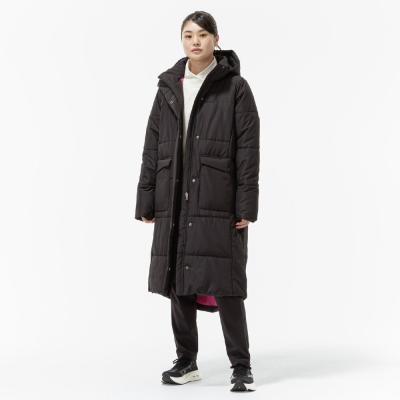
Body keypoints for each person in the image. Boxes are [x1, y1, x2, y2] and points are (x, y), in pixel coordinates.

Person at [135, 10, 260, 392]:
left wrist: (246, 205)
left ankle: (241, 366)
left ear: (216, 40)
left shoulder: (235, 88)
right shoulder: (168, 87)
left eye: (203, 35)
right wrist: (147, 198)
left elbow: (248, 150)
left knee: (227, 284)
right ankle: (186, 361)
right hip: (174, 195)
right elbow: (153, 145)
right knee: (179, 282)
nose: (195, 41)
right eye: (188, 35)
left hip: (217, 197)